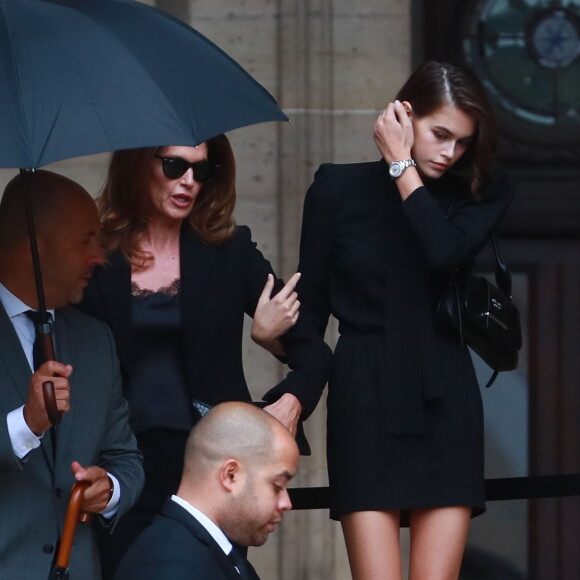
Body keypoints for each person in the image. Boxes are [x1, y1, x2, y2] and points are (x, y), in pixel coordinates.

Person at [296, 61, 516, 579]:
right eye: (441, 134)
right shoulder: (335, 190)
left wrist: (401, 166)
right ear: (403, 114)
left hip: (445, 395)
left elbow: (442, 253)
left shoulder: (482, 191)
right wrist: (291, 387)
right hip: (364, 395)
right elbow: (311, 312)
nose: (450, 153)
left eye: (463, 142)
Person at [77, 134, 332, 576]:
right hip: (122, 464)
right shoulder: (98, 255)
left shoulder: (230, 251)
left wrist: (288, 402)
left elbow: (315, 351)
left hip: (212, 470)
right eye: (175, 167)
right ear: (140, 165)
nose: (189, 181)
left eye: (202, 170)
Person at [0, 170, 144, 580]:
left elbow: (125, 456)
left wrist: (110, 488)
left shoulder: (95, 339)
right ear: (34, 247)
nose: (99, 256)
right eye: (86, 241)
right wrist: (25, 424)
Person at [113, 401, 299, 580]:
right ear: (230, 475)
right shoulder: (169, 567)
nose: (286, 503)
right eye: (277, 486)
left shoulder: (202, 550)